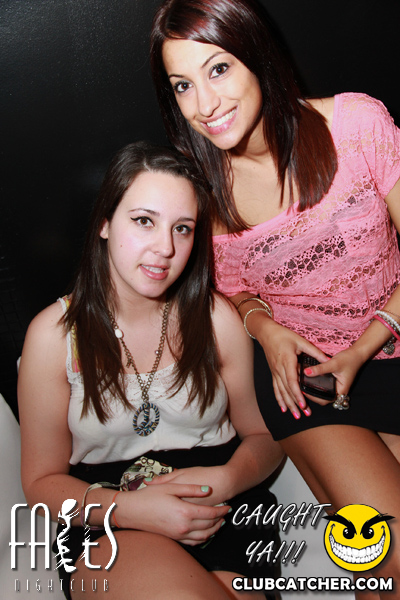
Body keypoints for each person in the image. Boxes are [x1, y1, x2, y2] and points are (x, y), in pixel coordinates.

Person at [150, 0, 400, 593]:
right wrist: (264, 328)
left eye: (218, 69)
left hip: (389, 344)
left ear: (257, 56)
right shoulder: (200, 188)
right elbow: (233, 290)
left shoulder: (357, 125)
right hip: (304, 384)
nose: (204, 104)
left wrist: (368, 343)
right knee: (389, 557)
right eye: (183, 85)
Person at [18, 141, 283, 600]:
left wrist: (226, 480)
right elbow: (40, 485)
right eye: (144, 221)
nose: (165, 248)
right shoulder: (54, 335)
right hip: (106, 521)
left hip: (223, 511)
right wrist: (130, 510)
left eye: (183, 228)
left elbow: (266, 437)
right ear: (105, 223)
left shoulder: (217, 319)